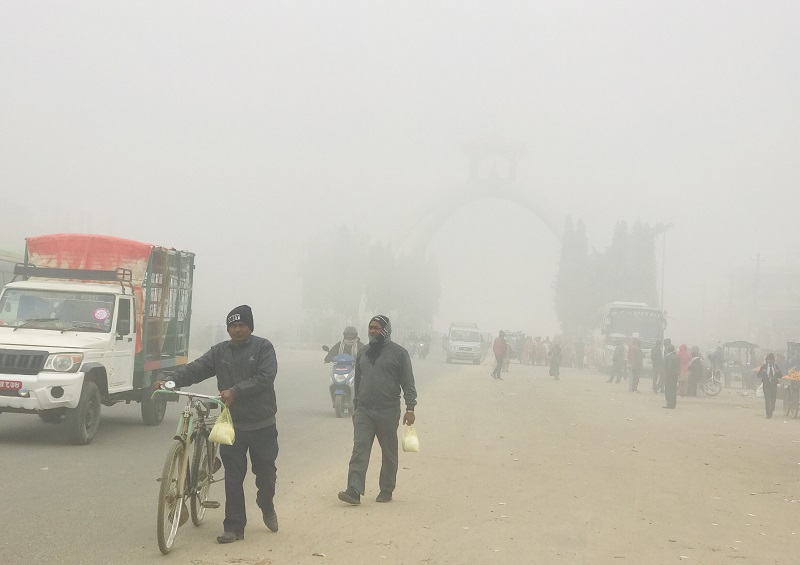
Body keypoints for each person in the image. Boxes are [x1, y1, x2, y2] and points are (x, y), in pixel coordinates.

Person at [153, 305, 279, 544]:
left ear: (250, 327)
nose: (237, 329)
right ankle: (234, 527)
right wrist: (170, 380)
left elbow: (265, 377)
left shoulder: (263, 347)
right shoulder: (219, 352)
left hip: (262, 424)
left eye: (242, 325)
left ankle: (266, 505)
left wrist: (235, 391)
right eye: (233, 326)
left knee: (266, 477)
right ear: (228, 329)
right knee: (233, 477)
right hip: (231, 424)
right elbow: (196, 369)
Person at [338, 315, 417, 505]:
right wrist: (356, 407)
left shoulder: (399, 353)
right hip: (364, 411)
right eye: (370, 328)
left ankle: (386, 489)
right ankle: (354, 490)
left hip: (388, 410)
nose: (372, 331)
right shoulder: (363, 352)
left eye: (377, 328)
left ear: (386, 330)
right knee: (359, 449)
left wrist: (410, 408)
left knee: (389, 452)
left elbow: (408, 383)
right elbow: (358, 382)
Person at [758, 353, 783, 419]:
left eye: (771, 359)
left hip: (773, 385)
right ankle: (768, 414)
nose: (770, 360)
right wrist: (763, 372)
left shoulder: (776, 367)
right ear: (767, 360)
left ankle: (772, 409)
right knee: (767, 399)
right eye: (768, 359)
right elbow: (758, 375)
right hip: (766, 385)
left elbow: (781, 376)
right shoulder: (764, 367)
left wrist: (777, 372)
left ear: (773, 360)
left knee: (773, 399)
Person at [663, 343, 679, 409]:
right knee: (673, 390)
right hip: (675, 375)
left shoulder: (669, 357)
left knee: (668, 390)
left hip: (669, 376)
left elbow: (669, 368)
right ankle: (673, 404)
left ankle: (669, 404)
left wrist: (666, 375)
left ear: (668, 350)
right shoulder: (676, 356)